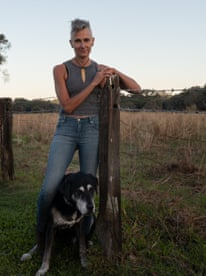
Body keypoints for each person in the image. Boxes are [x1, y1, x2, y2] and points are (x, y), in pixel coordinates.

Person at [35, 19, 141, 240]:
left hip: (92, 129)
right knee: (49, 187)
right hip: (67, 128)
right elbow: (68, 105)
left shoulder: (101, 69)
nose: (82, 45)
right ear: (70, 43)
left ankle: (83, 240)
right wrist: (94, 83)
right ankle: (41, 235)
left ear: (93, 41)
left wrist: (116, 72)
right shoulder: (60, 69)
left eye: (86, 40)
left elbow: (137, 89)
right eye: (77, 41)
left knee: (90, 186)